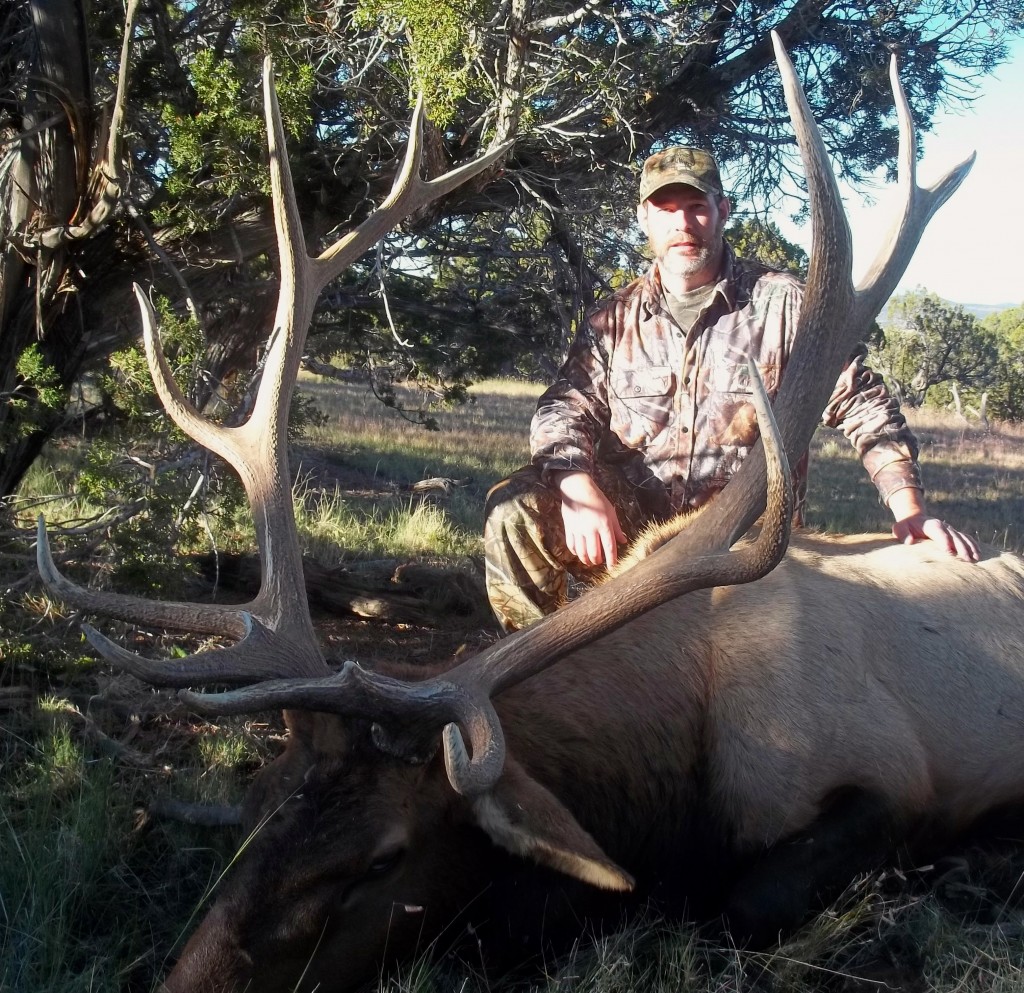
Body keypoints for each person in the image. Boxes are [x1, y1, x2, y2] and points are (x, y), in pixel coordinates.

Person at [483, 145, 980, 633]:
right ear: (644, 220)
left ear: (723, 211)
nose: (682, 223)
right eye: (666, 209)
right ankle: (541, 677)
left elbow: (860, 401)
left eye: (697, 207)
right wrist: (578, 487)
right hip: (633, 540)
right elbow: (563, 409)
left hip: (742, 549)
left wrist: (909, 510)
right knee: (515, 510)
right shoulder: (613, 319)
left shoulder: (784, 305)